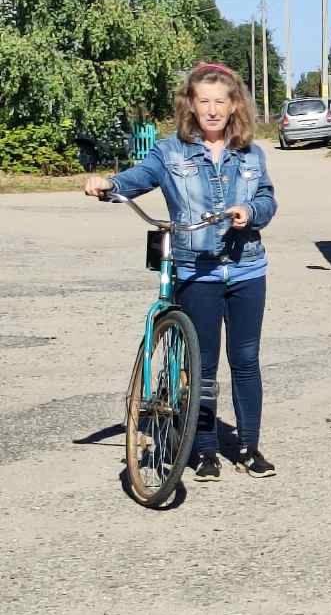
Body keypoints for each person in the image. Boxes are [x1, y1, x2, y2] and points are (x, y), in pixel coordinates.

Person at [85, 62, 278, 481]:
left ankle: (249, 446)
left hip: (246, 268)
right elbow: (137, 179)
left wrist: (252, 211)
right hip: (197, 271)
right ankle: (205, 449)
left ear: (234, 107)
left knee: (245, 360)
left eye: (219, 102)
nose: (211, 110)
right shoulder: (169, 152)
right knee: (202, 363)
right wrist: (108, 185)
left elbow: (267, 198)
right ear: (190, 105)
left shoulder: (251, 154)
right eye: (203, 101)